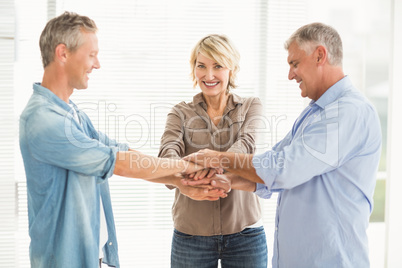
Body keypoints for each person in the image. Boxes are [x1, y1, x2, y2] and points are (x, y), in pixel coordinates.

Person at [19, 11, 226, 268]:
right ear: (63, 53)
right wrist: (187, 166)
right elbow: (118, 162)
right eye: (92, 54)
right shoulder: (44, 120)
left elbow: (122, 151)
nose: (97, 64)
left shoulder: (71, 114)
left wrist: (179, 182)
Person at [183, 23, 382, 267]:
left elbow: (283, 169)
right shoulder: (315, 114)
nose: (290, 75)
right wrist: (230, 180)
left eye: (295, 64)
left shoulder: (348, 112)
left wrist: (217, 158)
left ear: (320, 55)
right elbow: (275, 170)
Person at [158, 34, 268, 268]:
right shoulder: (179, 113)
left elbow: (246, 145)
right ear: (193, 69)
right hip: (190, 236)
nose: (209, 76)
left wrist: (211, 162)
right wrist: (185, 172)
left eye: (218, 66)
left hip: (245, 235)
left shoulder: (251, 106)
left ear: (232, 68)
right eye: (201, 66)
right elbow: (167, 157)